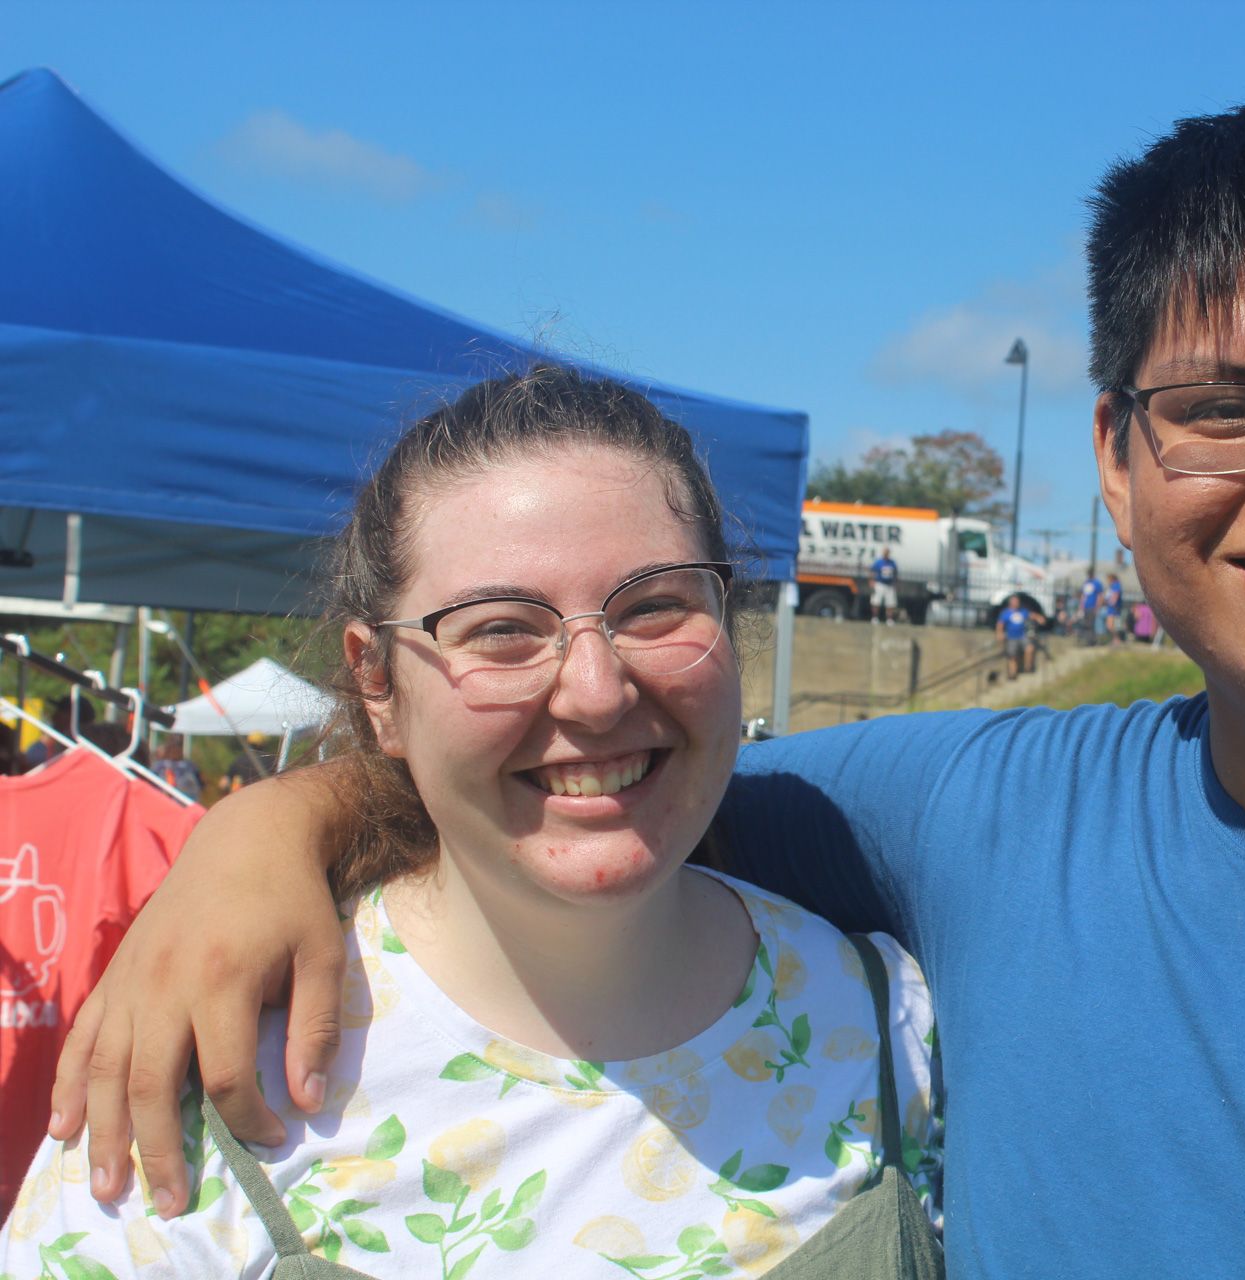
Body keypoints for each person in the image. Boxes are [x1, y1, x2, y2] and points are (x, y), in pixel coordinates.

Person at [50, 102, 1245, 1278]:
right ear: (1113, 466)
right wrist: (270, 827)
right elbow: (575, 794)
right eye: (1219, 412)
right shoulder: (974, 828)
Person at [6, 368, 943, 1277]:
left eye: (656, 608)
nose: (596, 689)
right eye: (501, 629)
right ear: (377, 685)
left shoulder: (895, 1031)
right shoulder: (209, 1068)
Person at [993, 598, 1036, 681]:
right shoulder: (1006, 613)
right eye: (1015, 602)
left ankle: (1028, 668)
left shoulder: (1023, 611)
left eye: (1017, 602)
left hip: (1022, 635)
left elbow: (1031, 615)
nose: (1016, 603)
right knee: (1012, 656)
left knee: (1029, 648)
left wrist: (1039, 618)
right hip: (1011, 637)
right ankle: (1012, 674)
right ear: (1011, 603)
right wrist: (999, 634)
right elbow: (1000, 624)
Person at [150, 736, 203, 801]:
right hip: (166, 799)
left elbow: (200, 783)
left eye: (177, 747)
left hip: (185, 800)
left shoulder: (189, 765)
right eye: (173, 748)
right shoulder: (160, 765)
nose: (175, 751)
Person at [870, 546, 900, 625]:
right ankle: (875, 618)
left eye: (887, 552)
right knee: (876, 602)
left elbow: (895, 573)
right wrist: (872, 581)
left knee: (890, 603)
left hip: (889, 585)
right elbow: (873, 571)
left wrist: (896, 583)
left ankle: (889, 619)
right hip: (880, 584)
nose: (886, 554)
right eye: (885, 552)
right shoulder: (878, 562)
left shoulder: (892, 562)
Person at [1075, 568, 1100, 645]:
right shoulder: (1086, 583)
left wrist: (1097, 607)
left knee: (1091, 624)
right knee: (1085, 624)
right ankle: (1087, 640)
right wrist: (1080, 606)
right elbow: (1083, 596)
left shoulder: (1097, 583)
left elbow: (1100, 596)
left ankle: (1092, 641)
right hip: (1085, 607)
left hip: (1092, 607)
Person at [1099, 573, 1124, 644]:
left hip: (1114, 609)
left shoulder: (1116, 585)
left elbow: (1115, 597)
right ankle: (1115, 639)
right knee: (1112, 626)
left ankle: (1117, 639)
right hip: (1111, 608)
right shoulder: (1112, 586)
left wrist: (1110, 603)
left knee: (1110, 626)